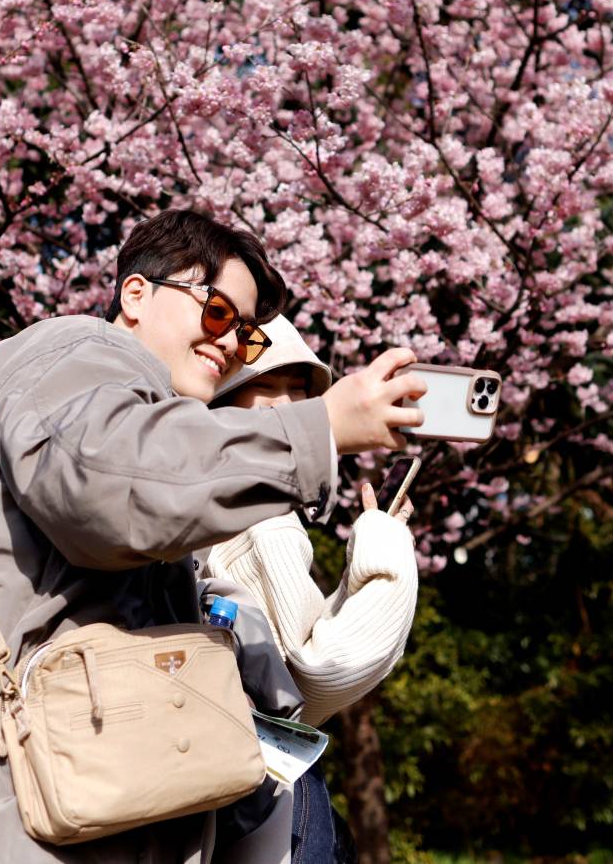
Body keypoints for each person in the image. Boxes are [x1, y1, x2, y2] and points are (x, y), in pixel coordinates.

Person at [0, 208, 426, 864]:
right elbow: (105, 486)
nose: (232, 342)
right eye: (216, 313)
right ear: (135, 293)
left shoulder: (144, 419)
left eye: (248, 335)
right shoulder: (76, 351)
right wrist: (318, 429)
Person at [206, 317, 420, 864]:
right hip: (268, 778)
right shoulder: (261, 516)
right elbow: (314, 672)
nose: (285, 405)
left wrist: (352, 578)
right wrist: (387, 552)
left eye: (299, 392)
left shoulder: (195, 501)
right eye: (265, 388)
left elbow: (279, 647)